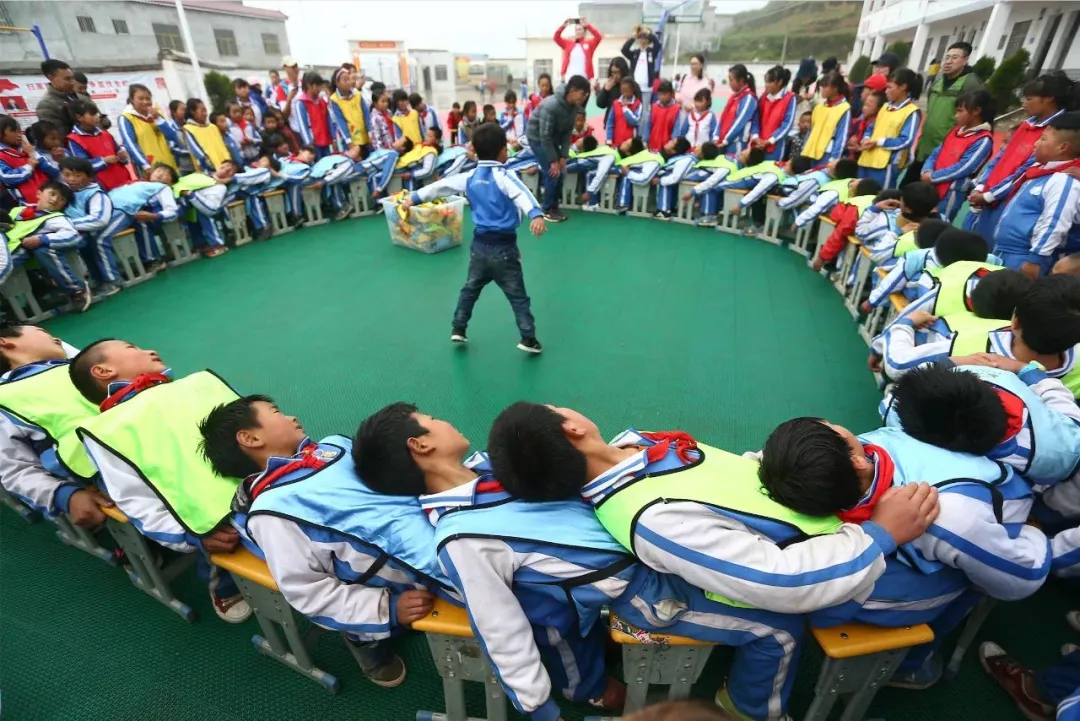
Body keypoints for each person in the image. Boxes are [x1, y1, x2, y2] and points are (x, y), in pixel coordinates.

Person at [485, 402, 941, 717]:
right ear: (573, 429)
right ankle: (747, 709)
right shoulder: (654, 516)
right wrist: (880, 535)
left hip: (793, 539)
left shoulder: (640, 448)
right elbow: (775, 580)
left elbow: (736, 476)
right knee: (779, 631)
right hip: (675, 596)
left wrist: (801, 460)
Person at [756, 416, 1047, 685]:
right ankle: (911, 666)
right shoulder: (872, 446)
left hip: (997, 511)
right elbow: (1023, 578)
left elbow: (1020, 577)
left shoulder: (945, 517)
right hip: (971, 507)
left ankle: (912, 664)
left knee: (830, 593)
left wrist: (1030, 533)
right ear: (858, 461)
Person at [197, 395, 453, 687]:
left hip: (422, 536)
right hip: (381, 582)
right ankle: (368, 647)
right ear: (250, 437)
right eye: (277, 412)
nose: (292, 417)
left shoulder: (334, 447)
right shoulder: (273, 513)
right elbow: (308, 590)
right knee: (374, 627)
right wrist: (386, 608)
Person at [66, 339, 253, 623]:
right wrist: (191, 534)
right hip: (207, 515)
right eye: (133, 349)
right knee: (213, 539)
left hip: (258, 483)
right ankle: (224, 589)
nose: (149, 350)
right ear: (103, 371)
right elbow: (136, 499)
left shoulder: (193, 386)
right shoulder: (107, 429)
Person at [401, 123, 546, 353]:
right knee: (517, 296)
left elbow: (442, 186)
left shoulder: (469, 177)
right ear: (502, 151)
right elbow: (522, 194)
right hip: (504, 249)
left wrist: (415, 197)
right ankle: (528, 338)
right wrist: (536, 214)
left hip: (479, 247)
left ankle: (458, 328)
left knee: (470, 289)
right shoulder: (504, 175)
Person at [883, 361, 1080, 487]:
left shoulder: (902, 426)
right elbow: (1069, 416)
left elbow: (890, 404)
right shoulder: (1062, 448)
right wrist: (1029, 371)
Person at [0, 325, 109, 525]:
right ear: (4, 342)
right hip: (109, 472)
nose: (58, 339)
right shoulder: (3, 402)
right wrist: (64, 495)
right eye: (43, 333)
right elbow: (17, 470)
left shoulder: (83, 368)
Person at [965, 73, 1076, 239]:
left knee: (986, 254)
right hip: (987, 196)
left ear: (1049, 99)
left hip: (1007, 202)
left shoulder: (1055, 132)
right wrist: (982, 185)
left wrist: (990, 195)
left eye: (1030, 98)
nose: (1024, 103)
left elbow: (1025, 172)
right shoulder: (1026, 125)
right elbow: (1001, 157)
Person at [990, 111, 1080, 278]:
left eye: (1043, 139)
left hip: (1024, 257)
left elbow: (1054, 223)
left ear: (1063, 147)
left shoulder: (1064, 180)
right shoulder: (1041, 171)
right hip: (1004, 252)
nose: (1036, 143)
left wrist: (1035, 260)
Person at [4, 180, 90, 310]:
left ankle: (76, 291)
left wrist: (42, 239)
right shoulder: (18, 210)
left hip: (17, 252)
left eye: (61, 199)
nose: (55, 199)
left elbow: (72, 235)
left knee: (43, 250)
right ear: (39, 193)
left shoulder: (56, 218)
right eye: (52, 193)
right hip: (4, 246)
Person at [908, 42, 984, 185]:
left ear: (966, 60)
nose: (948, 61)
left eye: (954, 58)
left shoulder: (971, 85)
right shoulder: (938, 82)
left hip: (946, 151)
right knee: (907, 187)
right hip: (925, 146)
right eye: (947, 57)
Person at [863, 225, 990, 310]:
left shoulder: (919, 262)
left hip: (920, 305)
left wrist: (872, 302)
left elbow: (893, 281)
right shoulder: (985, 266)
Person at [525, 75, 591, 224]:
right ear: (572, 91)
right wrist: (553, 160)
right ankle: (547, 210)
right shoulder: (551, 105)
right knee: (552, 171)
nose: (584, 98)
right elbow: (544, 136)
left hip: (551, 138)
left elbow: (567, 134)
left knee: (561, 170)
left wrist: (562, 157)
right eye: (583, 94)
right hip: (537, 138)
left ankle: (554, 206)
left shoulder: (573, 107)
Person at [920, 90, 994, 221]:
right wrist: (927, 170)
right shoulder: (955, 131)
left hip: (951, 193)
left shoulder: (983, 140)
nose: (956, 115)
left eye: (960, 111)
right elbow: (936, 153)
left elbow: (964, 168)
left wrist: (933, 177)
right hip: (932, 187)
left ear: (976, 111)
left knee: (937, 224)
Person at [59, 156, 122, 298]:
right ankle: (97, 279)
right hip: (83, 232)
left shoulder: (96, 194)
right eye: (67, 175)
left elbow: (99, 220)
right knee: (86, 252)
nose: (71, 179)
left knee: (99, 242)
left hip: (100, 229)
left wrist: (67, 225)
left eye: (77, 175)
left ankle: (113, 280)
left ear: (89, 176)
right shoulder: (67, 193)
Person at [858, 68, 923, 188]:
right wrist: (866, 138)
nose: (886, 91)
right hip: (867, 160)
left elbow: (906, 140)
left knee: (879, 199)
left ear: (903, 87)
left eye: (890, 87)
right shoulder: (885, 107)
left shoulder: (911, 112)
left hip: (886, 166)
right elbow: (872, 128)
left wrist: (878, 142)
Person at [857, 180, 941, 263]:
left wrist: (875, 208)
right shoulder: (935, 231)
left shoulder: (885, 221)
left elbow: (860, 233)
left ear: (908, 209)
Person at [811, 177, 884, 272]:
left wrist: (822, 258)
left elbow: (841, 232)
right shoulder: (880, 202)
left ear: (858, 191)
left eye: (851, 187)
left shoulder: (856, 204)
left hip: (867, 245)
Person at [66, 100, 131, 192]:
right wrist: (104, 161)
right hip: (103, 186)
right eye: (92, 115)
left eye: (96, 114)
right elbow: (82, 167)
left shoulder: (106, 134)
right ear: (79, 117)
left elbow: (119, 153)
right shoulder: (74, 140)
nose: (97, 117)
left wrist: (122, 157)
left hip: (124, 181)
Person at [118, 84, 178, 176]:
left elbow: (173, 137)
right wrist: (146, 166)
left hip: (169, 165)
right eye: (141, 99)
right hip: (150, 169)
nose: (145, 102)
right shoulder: (126, 118)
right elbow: (130, 144)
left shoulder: (157, 116)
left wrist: (158, 119)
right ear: (132, 100)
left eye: (148, 98)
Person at [801, 71, 851, 168]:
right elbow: (810, 132)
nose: (822, 89)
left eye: (825, 86)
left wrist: (833, 160)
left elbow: (841, 138)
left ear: (835, 88)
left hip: (827, 155)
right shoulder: (818, 107)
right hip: (810, 153)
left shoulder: (844, 109)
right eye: (821, 86)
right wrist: (804, 150)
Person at [0, 116, 51, 205]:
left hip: (49, 194)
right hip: (26, 203)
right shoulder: (2, 155)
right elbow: (6, 177)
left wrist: (32, 153)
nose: (19, 134)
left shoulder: (26, 148)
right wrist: (29, 167)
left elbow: (52, 170)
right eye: (13, 131)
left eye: (19, 131)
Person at [34, 59, 89, 136]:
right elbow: (58, 137)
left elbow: (100, 126)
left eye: (72, 78)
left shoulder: (82, 98)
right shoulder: (46, 105)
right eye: (67, 79)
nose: (72, 82)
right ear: (51, 78)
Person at [752, 66, 796, 161]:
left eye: (770, 82)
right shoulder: (763, 97)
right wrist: (756, 137)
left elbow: (787, 125)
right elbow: (756, 119)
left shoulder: (790, 99)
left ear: (779, 82)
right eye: (766, 82)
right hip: (758, 144)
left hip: (775, 147)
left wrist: (770, 140)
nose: (766, 85)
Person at [328, 67, 371, 161]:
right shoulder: (334, 100)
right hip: (351, 140)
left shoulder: (358, 95)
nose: (348, 82)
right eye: (345, 80)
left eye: (349, 79)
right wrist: (348, 141)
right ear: (337, 83)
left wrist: (370, 132)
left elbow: (366, 113)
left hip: (365, 136)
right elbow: (340, 122)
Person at [290, 72, 334, 158]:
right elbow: (303, 126)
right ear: (309, 85)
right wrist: (309, 143)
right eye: (317, 86)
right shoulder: (301, 103)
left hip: (325, 140)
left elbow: (328, 120)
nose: (320, 89)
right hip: (313, 143)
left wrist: (333, 138)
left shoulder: (321, 101)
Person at [716, 64, 757, 156]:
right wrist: (716, 136)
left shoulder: (749, 98)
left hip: (736, 143)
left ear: (741, 81)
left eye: (731, 80)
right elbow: (722, 118)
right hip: (725, 142)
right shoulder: (733, 97)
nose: (729, 83)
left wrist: (726, 140)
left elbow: (740, 122)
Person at [183, 98, 231, 173]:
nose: (205, 114)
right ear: (192, 112)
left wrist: (229, 164)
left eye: (205, 110)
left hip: (227, 168)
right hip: (211, 172)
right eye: (202, 111)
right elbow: (198, 153)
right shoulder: (188, 129)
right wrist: (214, 169)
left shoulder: (213, 127)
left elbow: (223, 147)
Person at [847, 76, 887, 159]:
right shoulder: (860, 121)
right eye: (865, 105)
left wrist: (859, 148)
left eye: (865, 88)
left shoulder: (879, 125)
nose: (861, 92)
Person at [554, 17, 602, 81]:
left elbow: (598, 37)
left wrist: (588, 26)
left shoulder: (589, 44)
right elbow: (556, 37)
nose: (577, 32)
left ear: (584, 32)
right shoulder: (568, 43)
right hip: (569, 77)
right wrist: (563, 26)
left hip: (584, 78)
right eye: (576, 30)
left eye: (580, 29)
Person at [622, 25, 661, 102]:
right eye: (641, 37)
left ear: (648, 40)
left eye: (645, 37)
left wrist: (648, 33)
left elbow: (658, 45)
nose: (643, 40)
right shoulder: (635, 53)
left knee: (645, 111)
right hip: (634, 87)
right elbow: (624, 50)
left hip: (647, 87)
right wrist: (633, 37)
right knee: (634, 108)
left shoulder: (652, 52)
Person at [642, 80, 681, 153]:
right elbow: (648, 125)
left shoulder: (676, 109)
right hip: (653, 144)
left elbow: (676, 130)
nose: (662, 96)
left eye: (665, 94)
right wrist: (645, 140)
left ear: (671, 94)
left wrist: (673, 142)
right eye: (660, 94)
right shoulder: (654, 107)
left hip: (667, 147)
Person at [594, 59, 630, 131]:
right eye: (613, 72)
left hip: (626, 125)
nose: (615, 75)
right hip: (610, 126)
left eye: (617, 72)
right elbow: (600, 104)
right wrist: (605, 90)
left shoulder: (631, 85)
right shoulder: (610, 84)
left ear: (623, 71)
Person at [606, 77, 642, 147]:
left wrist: (625, 109)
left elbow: (635, 122)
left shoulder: (638, 104)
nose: (624, 93)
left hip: (630, 144)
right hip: (616, 142)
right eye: (622, 90)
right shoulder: (616, 103)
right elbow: (610, 122)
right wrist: (609, 139)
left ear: (632, 90)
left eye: (626, 90)